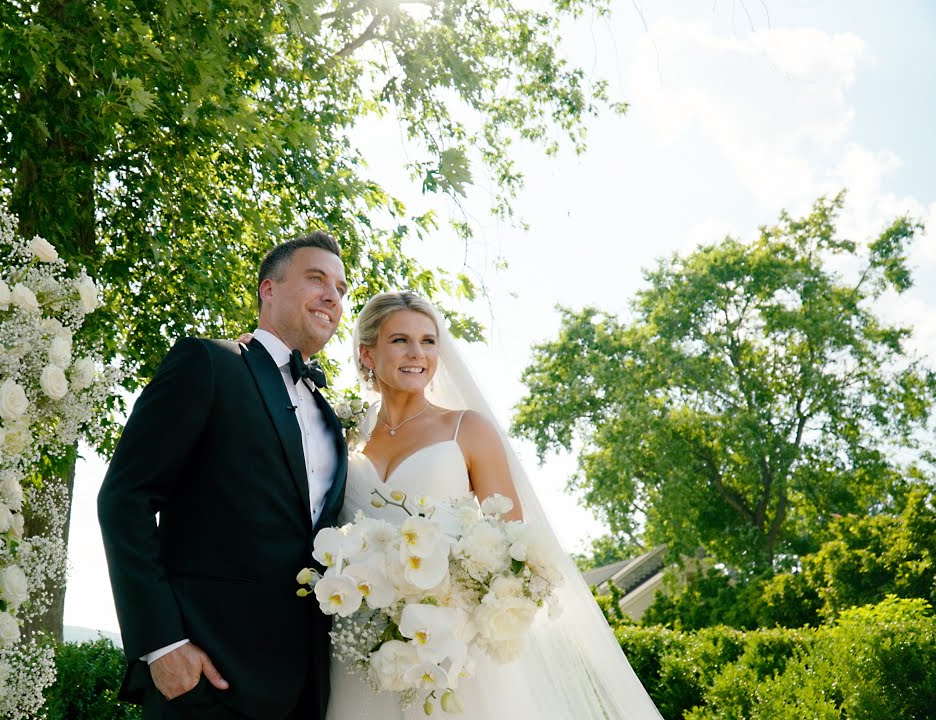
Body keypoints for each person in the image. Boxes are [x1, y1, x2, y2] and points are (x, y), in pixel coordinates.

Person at [327, 290, 664, 719]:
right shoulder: (342, 434)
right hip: (358, 642)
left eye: (428, 341)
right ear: (367, 354)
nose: (417, 353)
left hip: (449, 649)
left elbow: (514, 549)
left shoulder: (466, 429)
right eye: (400, 340)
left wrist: (453, 599)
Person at [98, 231, 351, 720]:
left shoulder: (328, 414)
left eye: (340, 289)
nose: (332, 296)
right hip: (206, 681)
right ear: (268, 289)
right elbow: (125, 497)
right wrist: (162, 644)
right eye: (316, 279)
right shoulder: (209, 363)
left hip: (305, 689)